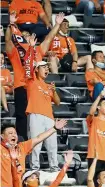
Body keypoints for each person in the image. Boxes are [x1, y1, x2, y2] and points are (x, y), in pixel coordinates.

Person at [5, 12, 65, 140]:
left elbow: (48, 38)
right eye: (23, 36)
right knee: (21, 116)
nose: (26, 38)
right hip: (21, 86)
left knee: (37, 116)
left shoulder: (37, 52)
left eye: (28, 35)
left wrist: (57, 25)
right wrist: (11, 24)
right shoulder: (15, 53)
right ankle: (22, 142)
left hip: (36, 88)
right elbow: (7, 40)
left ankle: (36, 142)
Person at [26, 61, 61, 171]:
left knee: (52, 146)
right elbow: (29, 65)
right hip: (35, 114)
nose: (47, 69)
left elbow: (58, 102)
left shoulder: (48, 86)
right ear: (36, 69)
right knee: (36, 144)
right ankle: (34, 169)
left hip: (49, 118)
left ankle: (54, 168)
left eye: (47, 68)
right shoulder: (32, 81)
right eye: (43, 67)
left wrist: (54, 91)